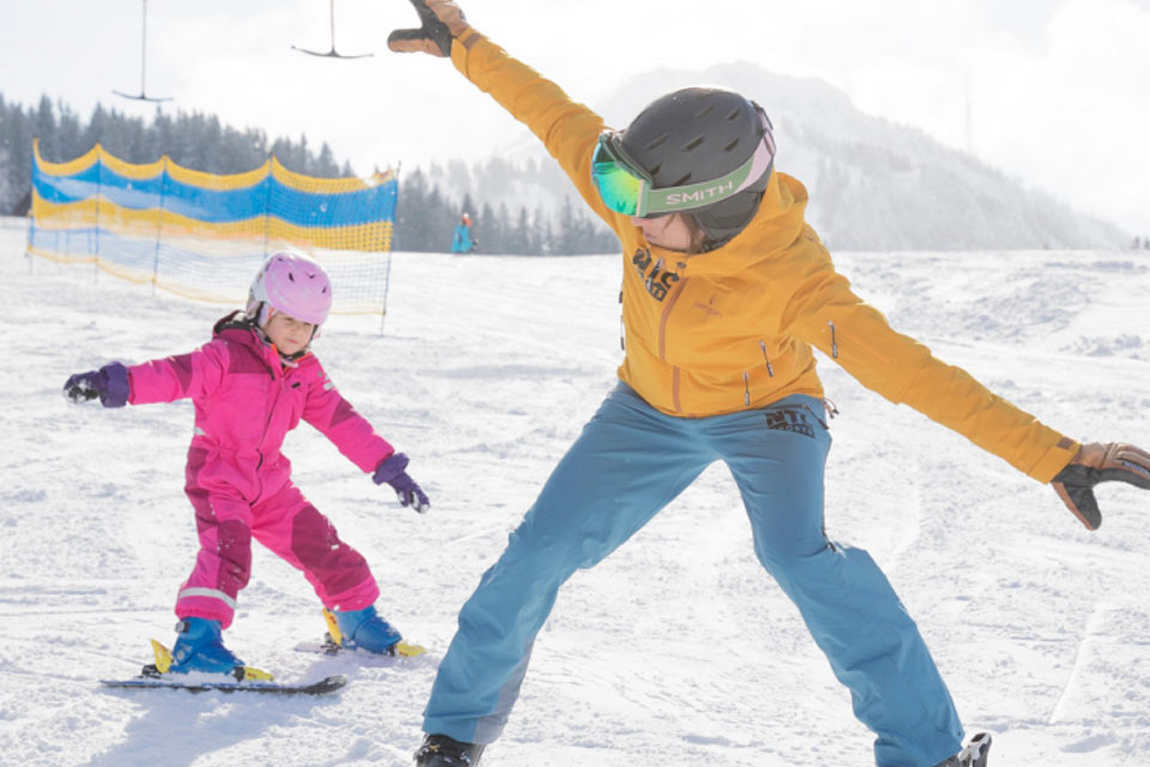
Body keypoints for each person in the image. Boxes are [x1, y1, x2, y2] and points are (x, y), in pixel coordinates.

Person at [388, 3, 1150, 766]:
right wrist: (466, 44)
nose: (625, 218)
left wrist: (1055, 453)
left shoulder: (794, 279)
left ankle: (929, 750)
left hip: (768, 412)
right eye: (622, 197)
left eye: (646, 212)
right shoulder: (640, 193)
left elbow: (919, 377)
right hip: (648, 407)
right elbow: (547, 111)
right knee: (538, 550)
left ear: (711, 213)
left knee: (796, 553)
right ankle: (453, 734)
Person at [63, 251, 431, 676]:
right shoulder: (224, 357)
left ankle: (355, 620)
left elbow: (341, 420)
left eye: (309, 325)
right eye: (288, 320)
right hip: (219, 477)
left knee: (324, 544)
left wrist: (388, 466)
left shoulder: (304, 372)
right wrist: (113, 384)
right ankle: (196, 643)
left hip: (270, 484)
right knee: (227, 554)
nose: (298, 334)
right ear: (259, 311)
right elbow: (172, 375)